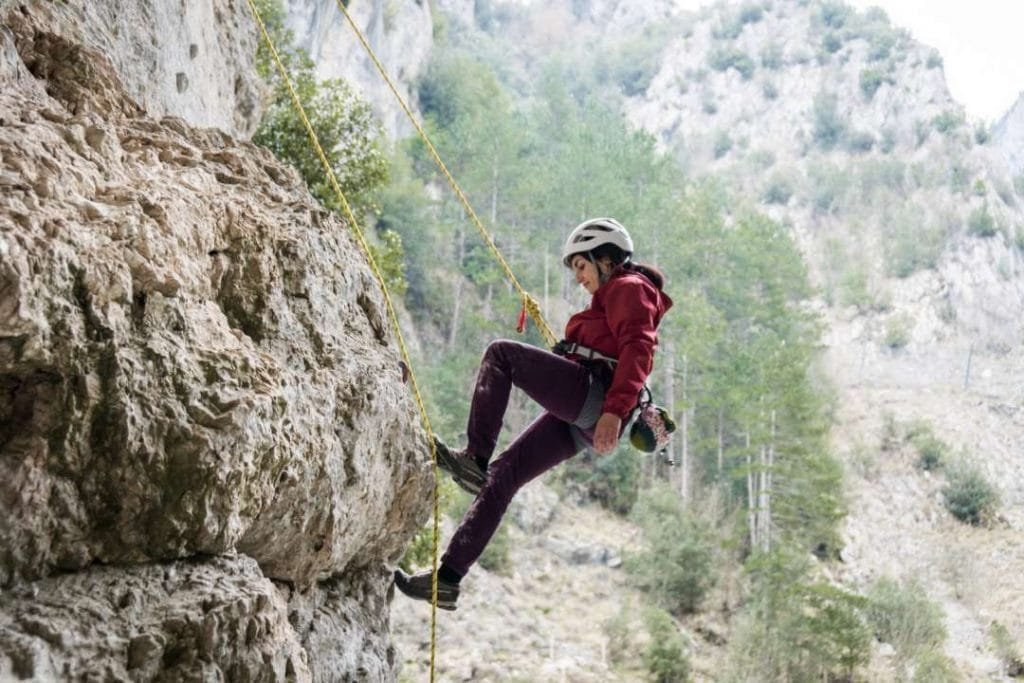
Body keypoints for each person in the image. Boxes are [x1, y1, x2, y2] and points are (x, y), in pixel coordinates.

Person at [394, 217, 673, 610]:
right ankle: (449, 578)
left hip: (596, 400)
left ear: (605, 259)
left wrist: (613, 411)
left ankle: (474, 457)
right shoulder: (610, 298)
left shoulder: (629, 288)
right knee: (504, 475)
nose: (578, 277)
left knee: (501, 355)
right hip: (584, 416)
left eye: (581, 265)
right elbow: (612, 346)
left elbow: (638, 352)